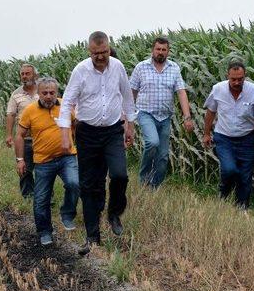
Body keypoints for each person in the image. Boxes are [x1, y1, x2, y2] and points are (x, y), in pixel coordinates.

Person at [58, 31, 136, 255]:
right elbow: (68, 103)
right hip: (87, 133)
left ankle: (114, 213)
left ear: (109, 48)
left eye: (104, 52)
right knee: (90, 184)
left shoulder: (118, 67)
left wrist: (130, 125)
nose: (100, 57)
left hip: (112, 131)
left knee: (120, 175)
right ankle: (92, 236)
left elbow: (127, 96)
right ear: (89, 51)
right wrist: (65, 132)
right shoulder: (80, 70)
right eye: (95, 53)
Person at [15, 77, 79, 245]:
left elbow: (76, 125)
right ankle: (44, 231)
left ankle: (67, 214)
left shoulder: (66, 106)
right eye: (45, 93)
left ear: (57, 93)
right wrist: (20, 159)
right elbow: (20, 136)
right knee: (41, 199)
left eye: (52, 92)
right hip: (43, 161)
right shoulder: (30, 111)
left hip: (67, 157)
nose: (49, 96)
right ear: (38, 93)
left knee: (74, 183)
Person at [129, 37, 194, 188]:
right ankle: (143, 180)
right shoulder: (141, 67)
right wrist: (128, 116)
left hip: (165, 117)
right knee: (152, 142)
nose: (160, 52)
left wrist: (187, 117)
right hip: (146, 113)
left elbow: (181, 93)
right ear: (153, 50)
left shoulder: (174, 68)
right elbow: (132, 92)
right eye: (158, 49)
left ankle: (154, 187)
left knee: (163, 156)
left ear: (168, 52)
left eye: (164, 50)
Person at [202, 61, 254, 210]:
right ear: (227, 76)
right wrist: (206, 133)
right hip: (224, 137)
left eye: (240, 79)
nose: (237, 82)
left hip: (247, 139)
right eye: (233, 79)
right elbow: (211, 111)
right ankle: (223, 195)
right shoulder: (218, 89)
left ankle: (242, 207)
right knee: (229, 169)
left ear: (245, 76)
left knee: (245, 176)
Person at [5, 64, 39, 199]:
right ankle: (28, 196)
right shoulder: (16, 94)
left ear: (35, 75)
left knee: (45, 169)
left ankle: (47, 196)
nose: (24, 76)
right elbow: (11, 114)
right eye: (22, 74)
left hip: (42, 138)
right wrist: (8, 135)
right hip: (24, 138)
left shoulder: (43, 91)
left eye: (27, 73)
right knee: (25, 169)